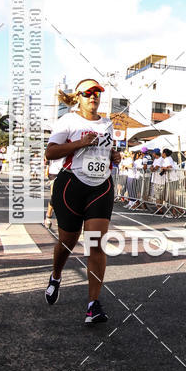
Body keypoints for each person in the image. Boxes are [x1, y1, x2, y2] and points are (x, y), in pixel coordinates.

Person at [44, 79, 121, 323]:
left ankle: (93, 304)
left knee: (96, 243)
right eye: (88, 93)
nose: (93, 96)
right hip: (71, 185)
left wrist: (114, 155)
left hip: (100, 186)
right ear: (78, 96)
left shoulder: (107, 123)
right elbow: (51, 152)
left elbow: (106, 153)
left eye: (97, 92)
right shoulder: (68, 120)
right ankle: (56, 275)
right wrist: (79, 143)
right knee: (67, 242)